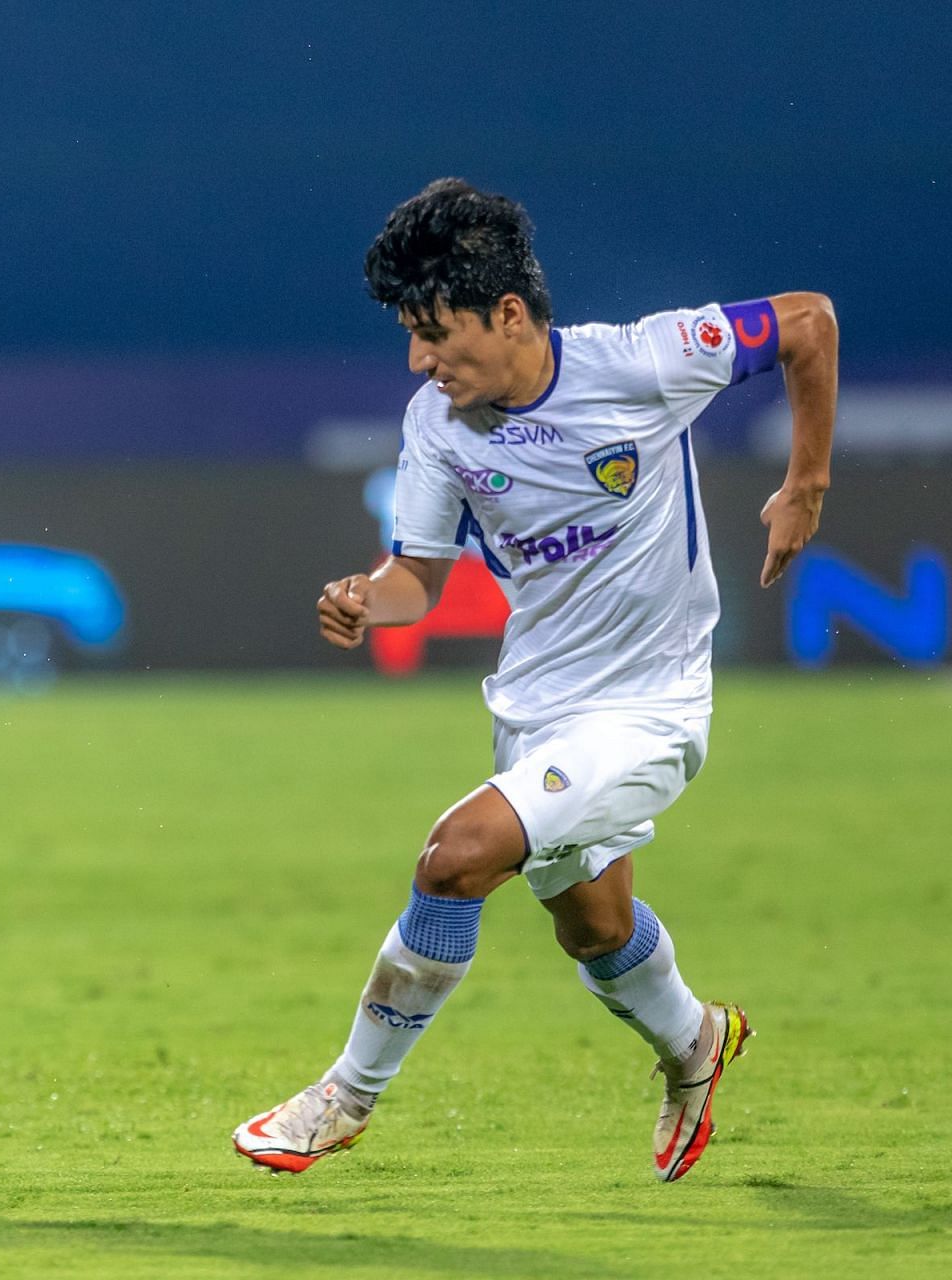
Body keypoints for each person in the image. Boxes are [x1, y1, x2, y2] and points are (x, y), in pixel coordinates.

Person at [232, 178, 835, 1182]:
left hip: (650, 713)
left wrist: (803, 481)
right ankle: (694, 1040)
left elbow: (809, 324)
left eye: (435, 331)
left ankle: (344, 1095)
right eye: (409, 335)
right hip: (535, 711)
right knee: (593, 925)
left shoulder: (646, 361)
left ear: (508, 313)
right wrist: (360, 598)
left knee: (453, 856)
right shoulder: (438, 421)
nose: (420, 359)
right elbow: (415, 579)